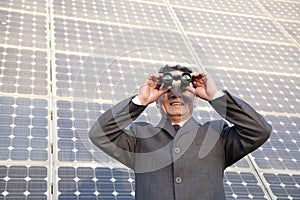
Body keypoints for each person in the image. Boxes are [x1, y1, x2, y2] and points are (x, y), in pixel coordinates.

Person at [89, 64, 272, 200]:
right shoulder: (140, 137)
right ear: (157, 100)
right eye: (168, 89)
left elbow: (258, 130)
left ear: (196, 99)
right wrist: (140, 100)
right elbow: (99, 133)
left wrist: (215, 96)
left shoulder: (216, 135)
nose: (176, 94)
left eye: (184, 87)